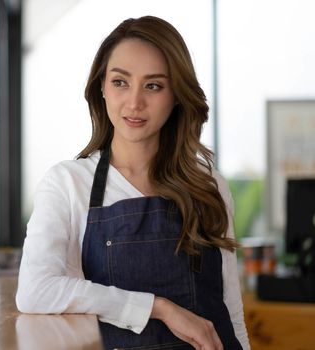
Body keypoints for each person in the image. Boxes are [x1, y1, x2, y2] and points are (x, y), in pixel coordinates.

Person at [16, 16, 250, 350]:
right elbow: (35, 290)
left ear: (176, 96)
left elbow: (231, 308)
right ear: (102, 87)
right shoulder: (68, 183)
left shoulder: (208, 184)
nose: (135, 103)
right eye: (120, 82)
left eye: (153, 85)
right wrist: (160, 309)